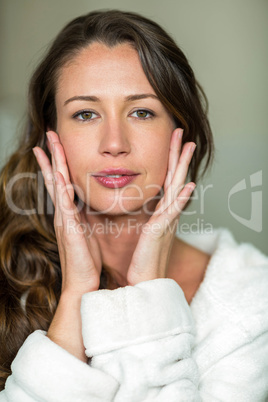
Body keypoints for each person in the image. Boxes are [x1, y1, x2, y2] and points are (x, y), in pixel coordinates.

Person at [0, 9, 267, 401]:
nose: (114, 142)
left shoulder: (253, 299)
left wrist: (148, 293)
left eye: (142, 111)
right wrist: (76, 293)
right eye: (85, 113)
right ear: (49, 138)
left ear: (181, 131)